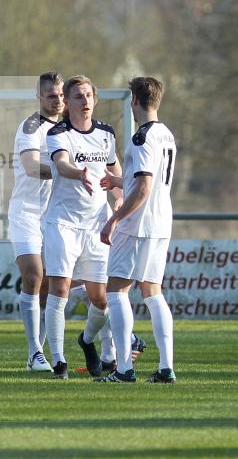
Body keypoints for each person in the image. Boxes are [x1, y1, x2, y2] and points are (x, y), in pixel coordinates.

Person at [96, 76, 177, 384]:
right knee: (153, 292)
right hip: (161, 223)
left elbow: (144, 188)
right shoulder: (166, 134)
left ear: (134, 102)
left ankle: (123, 368)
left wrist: (114, 219)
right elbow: (148, 181)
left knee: (116, 291)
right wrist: (119, 182)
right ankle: (166, 367)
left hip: (137, 224)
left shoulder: (141, 137)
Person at [43, 75, 123, 380]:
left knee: (101, 300)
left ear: (95, 99)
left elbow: (115, 170)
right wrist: (80, 173)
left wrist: (120, 197)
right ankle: (60, 362)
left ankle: (88, 340)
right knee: (60, 289)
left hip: (96, 225)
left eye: (88, 95)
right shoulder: (58, 132)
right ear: (67, 102)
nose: (85, 101)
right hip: (63, 222)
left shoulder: (105, 133)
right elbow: (61, 164)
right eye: (78, 96)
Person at [9, 71, 64, 373]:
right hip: (26, 213)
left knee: (53, 283)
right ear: (39, 97)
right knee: (33, 274)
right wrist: (65, 171)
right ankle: (34, 353)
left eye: (60, 95)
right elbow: (31, 167)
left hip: (56, 215)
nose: (57, 101)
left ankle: (39, 352)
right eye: (51, 96)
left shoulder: (69, 129)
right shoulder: (31, 127)